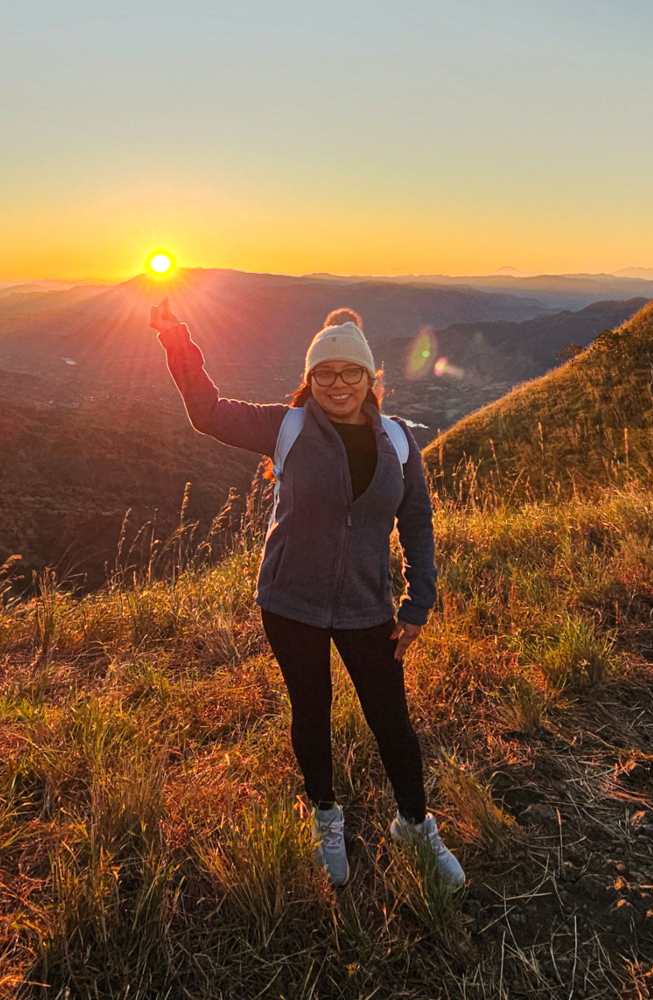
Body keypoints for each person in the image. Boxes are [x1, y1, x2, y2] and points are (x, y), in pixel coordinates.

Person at [150, 297, 464, 889]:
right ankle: (326, 815)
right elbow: (207, 411)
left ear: (372, 379)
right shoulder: (287, 427)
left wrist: (419, 602)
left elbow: (417, 522)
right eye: (324, 373)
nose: (338, 384)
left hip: (368, 606)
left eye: (351, 373)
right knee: (311, 710)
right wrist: (176, 338)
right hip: (290, 602)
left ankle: (415, 825)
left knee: (391, 720)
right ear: (309, 378)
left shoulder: (398, 441)